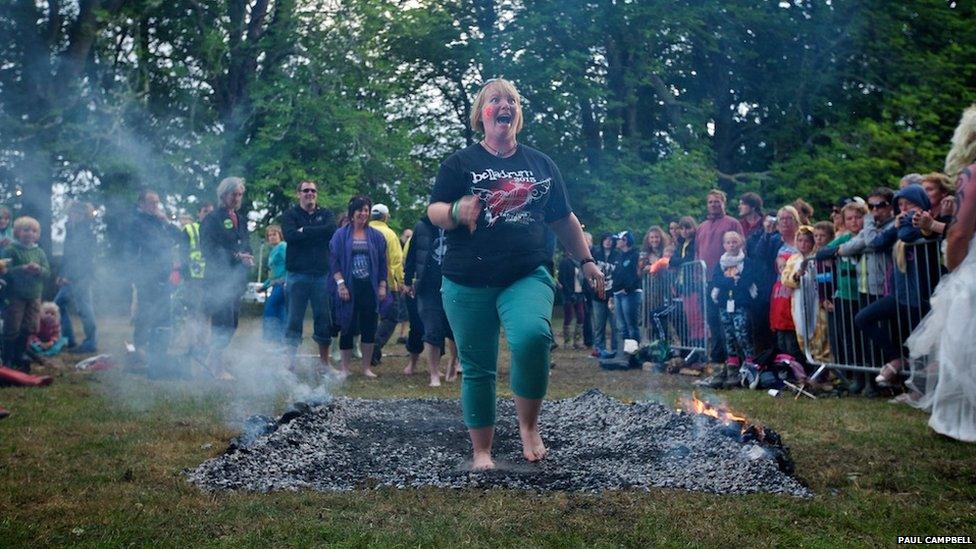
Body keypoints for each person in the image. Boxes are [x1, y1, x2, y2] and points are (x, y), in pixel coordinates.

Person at [428, 78, 602, 470]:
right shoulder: (459, 164)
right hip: (465, 279)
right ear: (481, 114)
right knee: (477, 366)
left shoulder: (541, 165)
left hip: (526, 272)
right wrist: (457, 211)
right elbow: (434, 211)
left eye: (511, 100)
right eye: (495, 99)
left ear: (517, 113)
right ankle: (483, 451)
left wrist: (587, 261)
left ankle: (528, 426)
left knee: (532, 337)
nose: (503, 105)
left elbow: (563, 219)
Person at [906, 105, 976, 441]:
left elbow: (960, 233)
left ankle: (956, 422)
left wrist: (956, 268)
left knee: (962, 345)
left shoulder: (972, 174)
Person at [858, 185, 942, 387]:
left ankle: (919, 390)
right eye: (901, 205)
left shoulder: (927, 223)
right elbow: (878, 243)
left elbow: (907, 236)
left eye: (910, 204)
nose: (904, 209)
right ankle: (896, 358)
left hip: (920, 295)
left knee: (921, 347)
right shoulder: (901, 225)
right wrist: (896, 226)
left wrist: (902, 224)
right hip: (900, 294)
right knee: (863, 318)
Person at [200, 177, 253, 380]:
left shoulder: (241, 219)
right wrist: (235, 256)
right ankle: (217, 367)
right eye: (234, 194)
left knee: (232, 324)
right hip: (218, 280)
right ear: (224, 195)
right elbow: (208, 249)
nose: (237, 198)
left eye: (240, 194)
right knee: (222, 324)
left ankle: (211, 360)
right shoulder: (212, 219)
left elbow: (245, 244)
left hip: (236, 280)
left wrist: (247, 256)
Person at [281, 180, 337, 372]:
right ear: (299, 193)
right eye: (306, 190)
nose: (310, 193)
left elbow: (331, 231)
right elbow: (289, 236)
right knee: (293, 319)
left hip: (322, 275)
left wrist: (304, 231)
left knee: (323, 319)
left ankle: (324, 363)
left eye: (313, 190)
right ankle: (290, 363)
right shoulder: (290, 214)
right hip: (297, 275)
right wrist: (315, 234)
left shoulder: (326, 214)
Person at [330, 195, 387, 378]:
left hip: (369, 286)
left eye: (366, 210)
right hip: (348, 286)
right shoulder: (340, 235)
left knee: (369, 326)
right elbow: (334, 262)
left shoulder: (377, 236)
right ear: (352, 213)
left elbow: (382, 263)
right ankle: (345, 369)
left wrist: (382, 285)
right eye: (360, 210)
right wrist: (341, 284)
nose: (363, 213)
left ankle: (366, 368)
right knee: (347, 325)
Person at [128, 189, 182, 363]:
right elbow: (155, 245)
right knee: (146, 313)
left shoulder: (160, 222)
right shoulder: (137, 223)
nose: (155, 206)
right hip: (146, 276)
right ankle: (140, 348)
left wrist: (166, 222)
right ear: (142, 204)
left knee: (164, 314)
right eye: (151, 202)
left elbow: (180, 237)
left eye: (157, 202)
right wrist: (166, 240)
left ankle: (158, 350)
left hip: (164, 275)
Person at [403, 215, 459, 386]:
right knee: (432, 329)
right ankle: (433, 374)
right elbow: (412, 255)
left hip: (453, 282)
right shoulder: (422, 227)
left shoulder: (458, 225)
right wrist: (407, 282)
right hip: (428, 286)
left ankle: (453, 362)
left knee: (455, 329)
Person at [695, 189, 744, 365]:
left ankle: (734, 357)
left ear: (724, 203)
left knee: (728, 320)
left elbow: (741, 248)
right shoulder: (701, 226)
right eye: (710, 202)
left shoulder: (732, 223)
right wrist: (696, 277)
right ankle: (717, 357)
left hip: (726, 279)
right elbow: (697, 253)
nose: (714, 205)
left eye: (717, 201)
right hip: (705, 280)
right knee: (712, 319)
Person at [707, 231, 759, 389]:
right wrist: (731, 281)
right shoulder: (721, 263)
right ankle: (732, 364)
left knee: (741, 331)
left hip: (740, 303)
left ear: (740, 244)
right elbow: (716, 279)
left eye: (734, 242)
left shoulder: (747, 262)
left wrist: (730, 282)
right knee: (728, 334)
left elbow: (746, 280)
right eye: (728, 242)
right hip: (724, 303)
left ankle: (750, 361)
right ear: (724, 245)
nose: (731, 245)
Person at [1, 217, 50, 371]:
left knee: (30, 326)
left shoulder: (39, 252)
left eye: (34, 231)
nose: (30, 233)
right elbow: (4, 271)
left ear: (37, 235)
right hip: (16, 295)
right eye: (26, 230)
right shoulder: (11, 250)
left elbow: (47, 273)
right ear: (17, 232)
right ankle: (7, 358)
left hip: (34, 295)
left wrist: (39, 270)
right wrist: (21, 269)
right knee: (12, 325)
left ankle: (20, 354)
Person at [55, 201, 98, 353]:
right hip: (71, 275)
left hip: (82, 276)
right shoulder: (71, 230)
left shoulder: (86, 232)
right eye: (73, 212)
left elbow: (84, 258)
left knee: (84, 308)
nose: (74, 215)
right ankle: (69, 339)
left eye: (78, 213)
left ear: (84, 216)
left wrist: (70, 276)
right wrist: (62, 274)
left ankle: (90, 342)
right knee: (60, 305)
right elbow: (68, 256)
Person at [368, 203, 404, 366]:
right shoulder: (390, 234)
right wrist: (401, 282)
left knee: (369, 318)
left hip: (365, 282)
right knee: (390, 317)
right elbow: (396, 262)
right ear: (385, 217)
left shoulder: (363, 231)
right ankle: (374, 349)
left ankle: (366, 349)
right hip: (387, 284)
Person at [176, 202, 213, 362]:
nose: (208, 215)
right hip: (193, 278)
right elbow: (183, 253)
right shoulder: (190, 229)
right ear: (199, 213)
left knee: (205, 314)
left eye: (211, 212)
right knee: (192, 312)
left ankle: (204, 346)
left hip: (210, 279)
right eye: (205, 211)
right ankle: (191, 346)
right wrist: (185, 275)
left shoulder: (215, 230)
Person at [611, 230, 641, 352]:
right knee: (622, 326)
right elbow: (617, 275)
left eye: (618, 240)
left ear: (625, 240)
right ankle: (625, 351)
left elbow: (637, 275)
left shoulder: (635, 255)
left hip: (631, 293)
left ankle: (634, 352)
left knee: (631, 325)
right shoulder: (619, 256)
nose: (616, 242)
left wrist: (628, 288)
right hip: (618, 293)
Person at [591, 233, 618, 358]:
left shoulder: (617, 255)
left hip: (612, 293)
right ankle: (598, 349)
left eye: (610, 240)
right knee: (599, 324)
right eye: (606, 239)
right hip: (598, 294)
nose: (608, 242)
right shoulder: (595, 254)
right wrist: (591, 283)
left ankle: (615, 349)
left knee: (614, 323)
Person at [261, 224, 287, 344]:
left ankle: (273, 338)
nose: (271, 237)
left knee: (270, 309)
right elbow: (272, 274)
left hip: (283, 284)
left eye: (274, 234)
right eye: (269, 235)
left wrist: (287, 280)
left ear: (280, 235)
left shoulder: (283, 246)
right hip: (276, 284)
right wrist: (264, 286)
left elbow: (289, 264)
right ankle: (282, 341)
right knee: (281, 311)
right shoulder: (273, 250)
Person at [557, 250, 586, 349]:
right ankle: (567, 342)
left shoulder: (581, 263)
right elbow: (562, 279)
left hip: (579, 292)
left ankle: (577, 341)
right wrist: (569, 292)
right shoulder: (565, 262)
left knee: (581, 316)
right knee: (568, 316)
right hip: (569, 293)